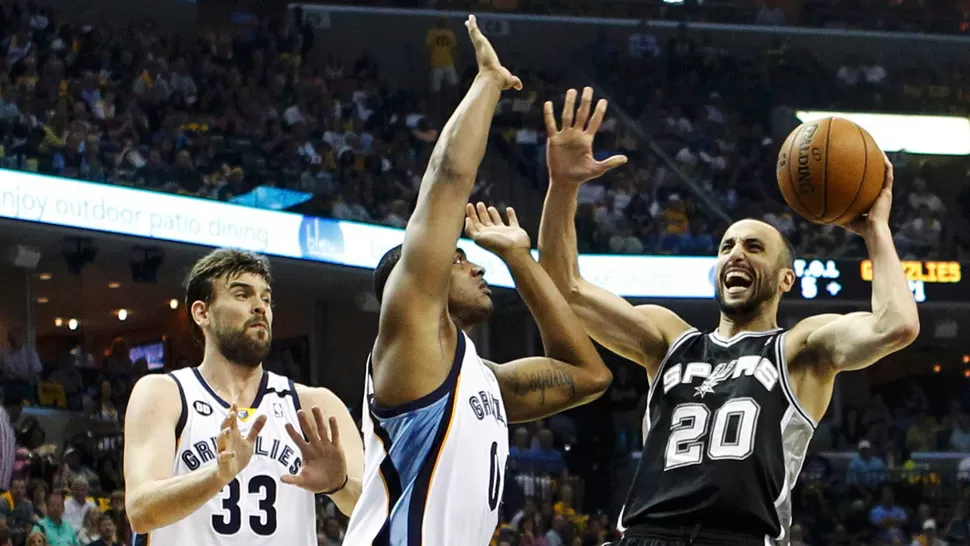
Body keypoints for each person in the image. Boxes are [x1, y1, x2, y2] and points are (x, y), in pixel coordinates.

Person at [537, 87, 920, 546]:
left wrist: (876, 230)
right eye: (727, 247)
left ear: (785, 280)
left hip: (736, 538)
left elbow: (896, 324)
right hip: (644, 535)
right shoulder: (668, 339)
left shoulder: (800, 349)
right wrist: (563, 187)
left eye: (754, 247)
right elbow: (564, 288)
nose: (736, 254)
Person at [343, 16, 612, 546]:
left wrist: (520, 258)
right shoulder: (410, 329)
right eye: (461, 258)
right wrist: (487, 81)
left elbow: (589, 374)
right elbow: (446, 181)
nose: (476, 266)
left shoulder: (485, 379)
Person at [123, 248, 364, 545]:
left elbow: (376, 509)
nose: (260, 307)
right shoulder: (164, 393)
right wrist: (217, 476)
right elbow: (140, 511)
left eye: (266, 298)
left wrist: (339, 485)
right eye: (242, 295)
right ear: (202, 313)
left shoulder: (314, 403)